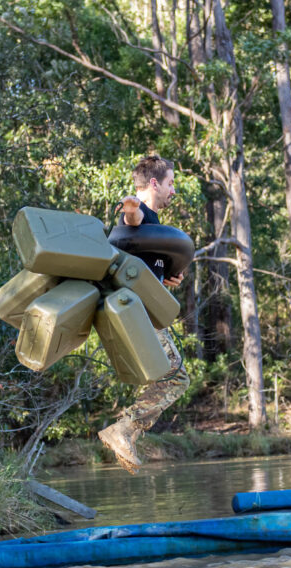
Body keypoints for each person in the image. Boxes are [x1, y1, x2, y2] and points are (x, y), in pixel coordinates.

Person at [98, 156, 190, 474]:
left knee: (174, 376)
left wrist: (166, 280)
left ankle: (126, 430)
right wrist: (130, 205)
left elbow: (143, 270)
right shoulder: (141, 216)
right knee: (177, 376)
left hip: (144, 312)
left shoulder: (155, 229)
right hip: (135, 315)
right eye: (170, 183)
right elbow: (132, 218)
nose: (173, 191)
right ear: (154, 184)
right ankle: (123, 429)